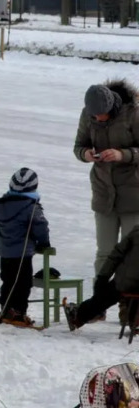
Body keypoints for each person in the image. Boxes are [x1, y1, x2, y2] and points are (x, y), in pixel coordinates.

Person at [73, 81, 139, 278]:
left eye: (101, 114)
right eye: (94, 115)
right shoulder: (87, 115)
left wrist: (122, 155)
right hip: (103, 193)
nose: (98, 118)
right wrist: (85, 154)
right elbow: (79, 146)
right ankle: (99, 295)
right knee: (104, 253)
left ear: (111, 106)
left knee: (131, 255)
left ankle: (127, 297)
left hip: (133, 195)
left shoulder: (132, 114)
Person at [0, 168, 50, 328]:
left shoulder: (4, 205)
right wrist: (44, 243)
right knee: (23, 283)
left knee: (8, 281)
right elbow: (41, 226)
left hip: (5, 251)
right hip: (22, 252)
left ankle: (6, 310)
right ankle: (18, 313)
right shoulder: (30, 207)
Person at [66, 223, 139, 331]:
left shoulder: (136, 233)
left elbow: (115, 256)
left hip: (124, 282)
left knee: (102, 298)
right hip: (126, 282)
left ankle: (79, 315)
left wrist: (103, 277)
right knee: (107, 297)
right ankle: (134, 322)